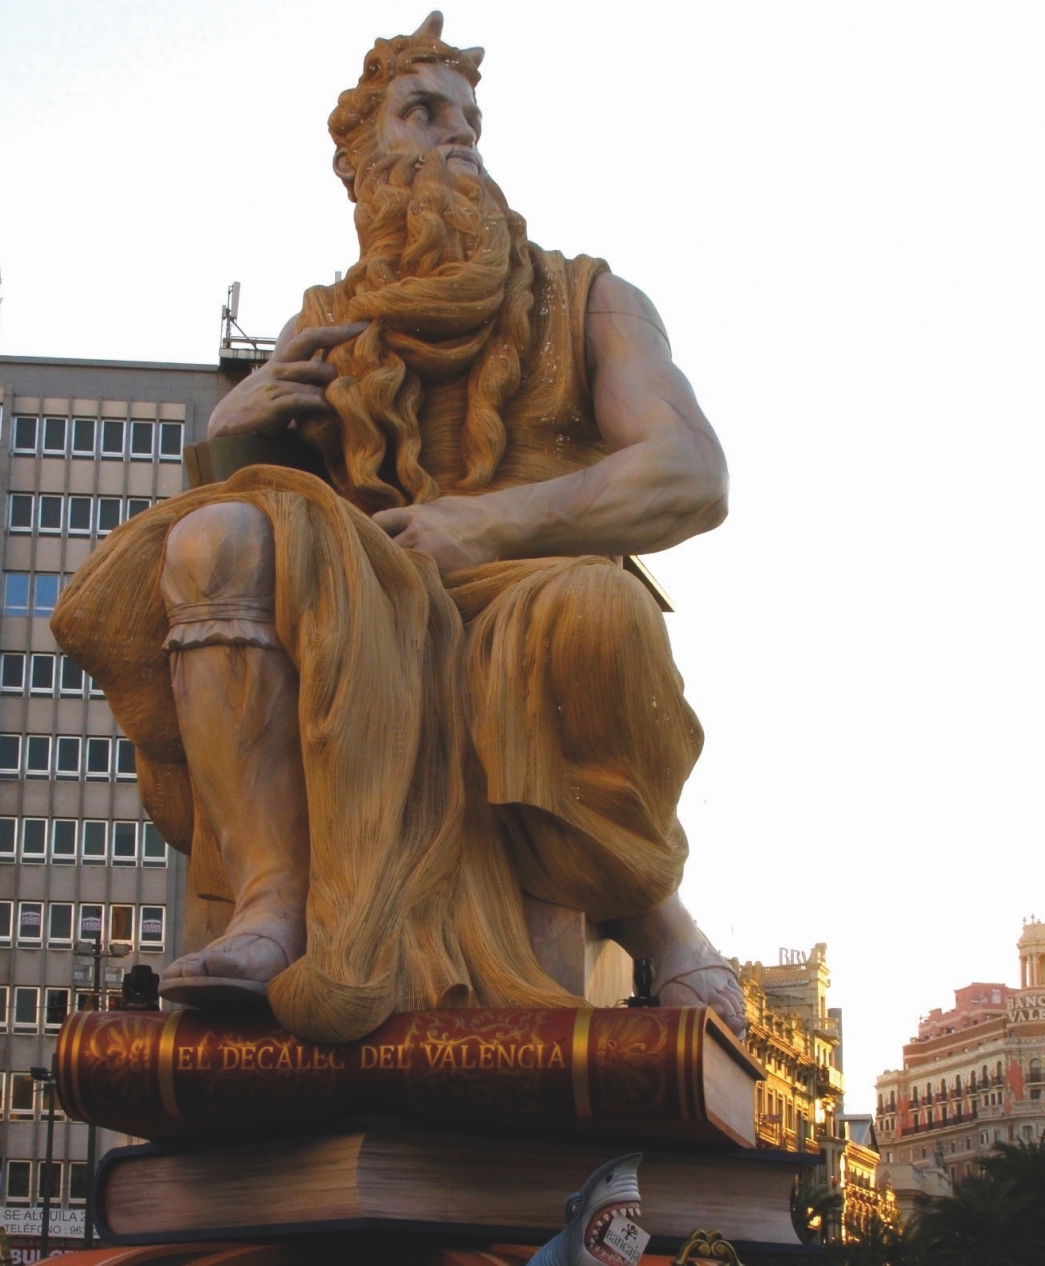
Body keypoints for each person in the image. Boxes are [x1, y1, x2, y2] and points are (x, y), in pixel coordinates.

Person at [52, 12, 744, 1044]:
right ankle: (273, 908)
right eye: (425, 114)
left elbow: (691, 470)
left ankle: (653, 914)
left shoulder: (589, 299)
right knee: (208, 541)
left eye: (470, 118)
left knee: (593, 612)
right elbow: (275, 523)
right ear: (362, 163)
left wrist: (483, 527)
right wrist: (227, 442)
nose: (459, 136)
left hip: (529, 584)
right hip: (367, 603)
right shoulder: (323, 324)